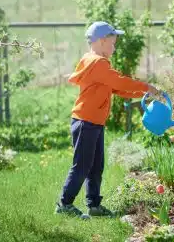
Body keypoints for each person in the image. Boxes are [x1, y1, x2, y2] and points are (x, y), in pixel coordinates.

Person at [55, 21, 160, 219]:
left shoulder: (91, 61)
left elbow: (116, 88)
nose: (114, 47)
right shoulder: (98, 63)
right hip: (86, 121)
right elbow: (119, 81)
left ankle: (94, 205)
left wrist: (142, 91)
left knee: (96, 166)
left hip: (92, 122)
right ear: (102, 41)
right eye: (112, 43)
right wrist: (146, 86)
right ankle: (64, 203)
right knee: (82, 166)